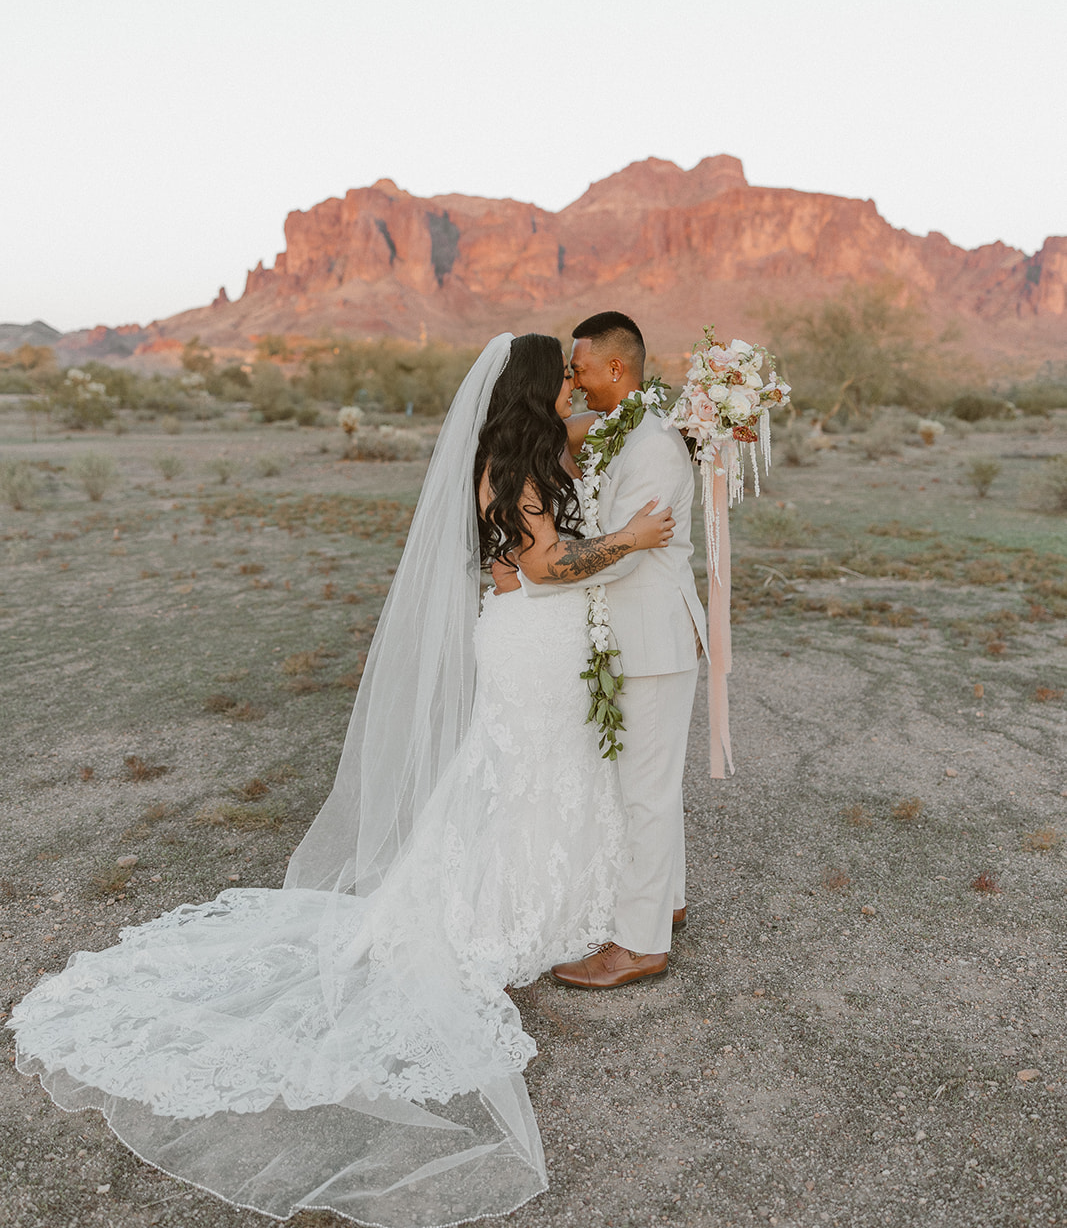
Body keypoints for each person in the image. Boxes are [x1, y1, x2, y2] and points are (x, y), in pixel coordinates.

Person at [9, 333, 674, 1228]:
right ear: (528, 388)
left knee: (543, 773)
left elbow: (609, 443)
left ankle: (564, 900)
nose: (570, 387)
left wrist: (687, 430)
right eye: (558, 376)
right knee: (522, 774)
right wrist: (630, 539)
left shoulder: (534, 448)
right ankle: (507, 914)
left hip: (547, 644)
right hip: (530, 640)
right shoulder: (508, 464)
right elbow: (547, 565)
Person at [534, 311, 709, 990]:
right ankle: (665, 902)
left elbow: (620, 560)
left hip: (651, 636)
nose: (572, 381)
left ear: (616, 368)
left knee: (644, 792)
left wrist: (540, 577)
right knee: (647, 786)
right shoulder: (623, 430)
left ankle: (639, 945)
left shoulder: (654, 447)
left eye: (578, 368)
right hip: (632, 633)